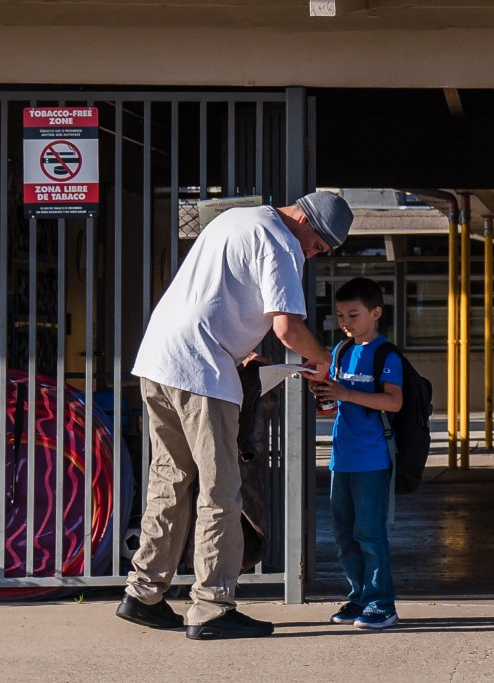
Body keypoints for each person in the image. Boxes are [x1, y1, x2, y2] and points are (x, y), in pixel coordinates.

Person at [116, 191, 353, 640]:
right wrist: (323, 360)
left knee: (170, 477)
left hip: (159, 360)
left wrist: (243, 352)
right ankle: (211, 606)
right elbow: (287, 327)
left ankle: (143, 593)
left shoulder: (236, 220)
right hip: (202, 369)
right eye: (317, 245)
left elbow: (218, 297)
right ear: (303, 219)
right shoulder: (281, 241)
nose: (312, 253)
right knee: (221, 489)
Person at [309, 277, 402, 630]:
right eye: (339, 316)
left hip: (373, 459)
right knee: (344, 534)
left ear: (375, 313)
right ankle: (360, 596)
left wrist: (346, 395)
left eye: (353, 314)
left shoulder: (385, 354)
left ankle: (382, 603)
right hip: (341, 459)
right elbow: (336, 401)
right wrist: (326, 395)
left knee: (369, 532)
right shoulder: (340, 351)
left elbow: (394, 401)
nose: (345, 323)